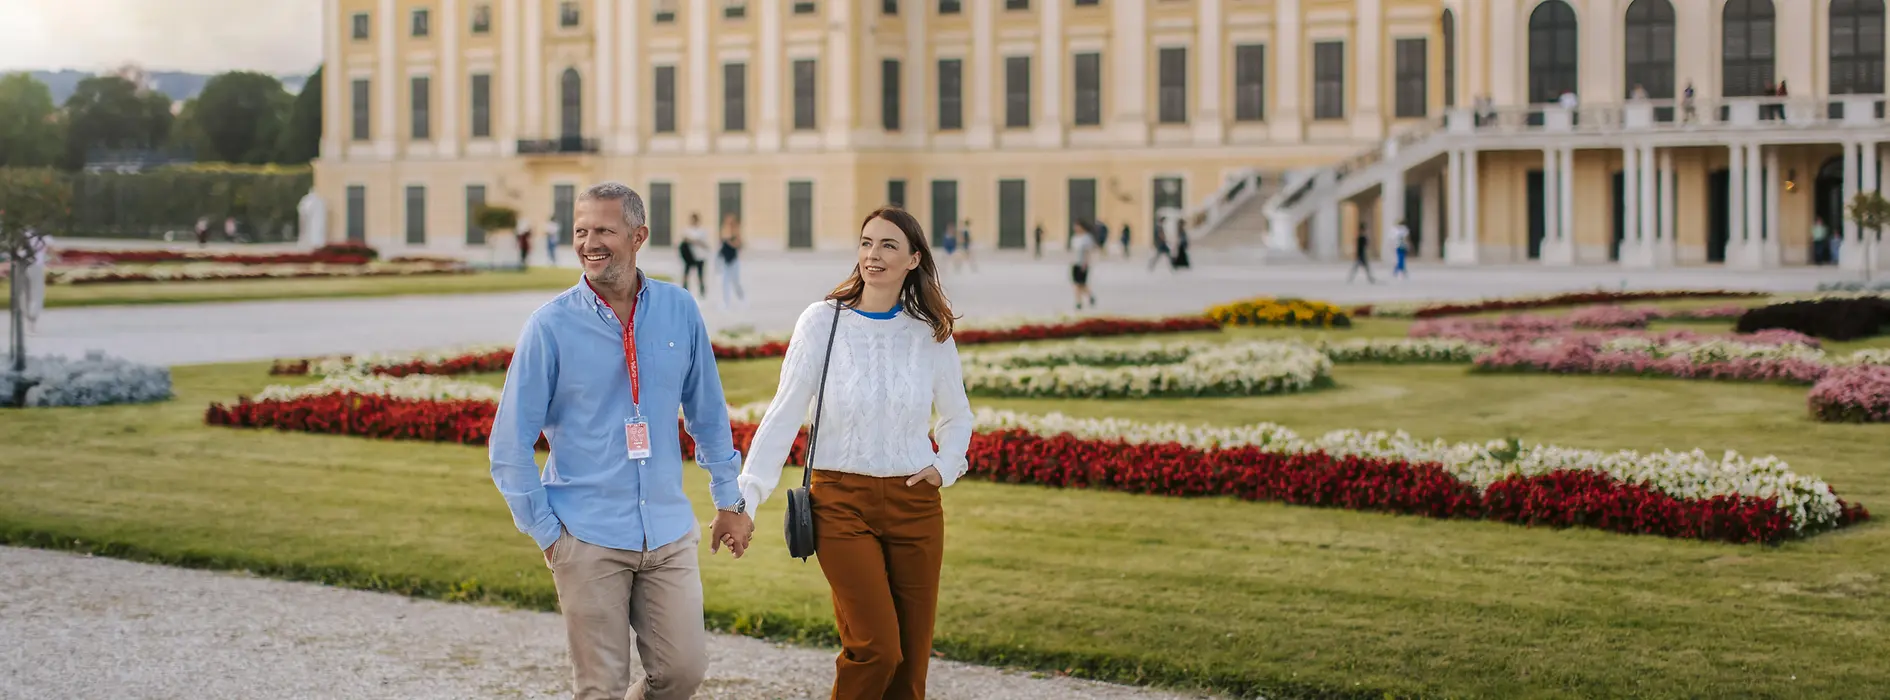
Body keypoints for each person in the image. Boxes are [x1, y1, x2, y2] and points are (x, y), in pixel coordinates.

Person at [488, 182, 753, 700]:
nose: (590, 242)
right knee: (599, 688)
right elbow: (508, 445)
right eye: (581, 231)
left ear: (638, 236)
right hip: (586, 536)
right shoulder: (549, 326)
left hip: (668, 532)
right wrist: (547, 533)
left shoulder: (679, 310)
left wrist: (730, 500)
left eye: (604, 230)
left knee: (682, 673)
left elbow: (708, 414)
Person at [739, 206, 974, 700]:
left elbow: (957, 416)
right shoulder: (822, 322)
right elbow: (783, 414)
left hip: (915, 505)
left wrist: (943, 467)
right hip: (840, 503)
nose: (874, 254)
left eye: (889, 245)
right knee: (875, 648)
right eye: (867, 243)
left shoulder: (928, 333)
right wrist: (746, 498)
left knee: (910, 669)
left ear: (914, 259)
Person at [21, 229, 51, 334]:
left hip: (21, 267)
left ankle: (27, 320)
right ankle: (31, 321)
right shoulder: (44, 236)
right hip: (36, 267)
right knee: (37, 294)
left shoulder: (20, 233)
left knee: (25, 294)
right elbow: (51, 252)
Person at [717, 213, 746, 310]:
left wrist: (729, 241)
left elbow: (739, 245)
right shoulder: (724, 232)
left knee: (735, 282)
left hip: (733, 260)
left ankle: (742, 299)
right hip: (725, 260)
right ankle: (725, 302)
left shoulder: (736, 233)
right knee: (724, 282)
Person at [679, 212, 709, 296]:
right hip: (690, 256)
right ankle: (684, 288)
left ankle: (702, 289)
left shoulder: (702, 231)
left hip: (700, 256)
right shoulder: (687, 230)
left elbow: (705, 244)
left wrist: (694, 241)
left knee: (700, 274)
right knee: (686, 273)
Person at [1071, 222, 1098, 309]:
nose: (1076, 228)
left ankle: (1089, 296)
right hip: (1075, 263)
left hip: (1083, 264)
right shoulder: (1075, 238)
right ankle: (1079, 302)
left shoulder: (1087, 238)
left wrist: (1085, 263)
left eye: (1077, 226)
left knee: (1082, 284)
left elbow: (1087, 252)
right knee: (1076, 284)